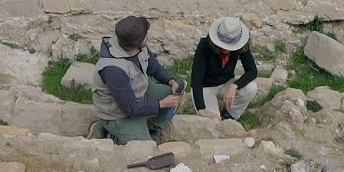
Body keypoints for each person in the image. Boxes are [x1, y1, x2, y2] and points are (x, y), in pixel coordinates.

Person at [91, 16, 182, 144]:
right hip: (117, 115)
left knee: (173, 94)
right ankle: (112, 134)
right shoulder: (113, 69)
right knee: (144, 146)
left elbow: (154, 66)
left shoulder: (138, 46)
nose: (147, 37)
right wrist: (161, 104)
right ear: (135, 43)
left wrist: (171, 81)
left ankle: (152, 128)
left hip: (140, 94)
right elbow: (130, 108)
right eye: (145, 36)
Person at [191, 17, 258, 121]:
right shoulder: (205, 45)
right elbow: (196, 77)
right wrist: (201, 108)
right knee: (213, 121)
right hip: (206, 87)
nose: (226, 48)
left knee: (251, 88)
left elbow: (252, 71)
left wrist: (234, 86)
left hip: (226, 83)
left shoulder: (241, 45)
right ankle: (217, 116)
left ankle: (228, 115)